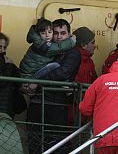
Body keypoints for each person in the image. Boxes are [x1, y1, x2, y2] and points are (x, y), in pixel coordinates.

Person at [27, 19, 81, 152]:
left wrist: (36, 82)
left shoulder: (73, 52)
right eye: (55, 33)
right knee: (35, 144)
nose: (59, 36)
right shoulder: (46, 48)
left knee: (55, 146)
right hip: (37, 103)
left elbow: (62, 73)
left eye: (63, 33)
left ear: (69, 34)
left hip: (57, 106)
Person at [0, 32, 26, 154]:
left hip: (6, 106)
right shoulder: (7, 64)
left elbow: (17, 80)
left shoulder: (7, 63)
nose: (2, 50)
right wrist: (9, 66)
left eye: (4, 47)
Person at [67, 26, 97, 126]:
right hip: (71, 112)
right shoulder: (72, 59)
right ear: (83, 45)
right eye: (92, 42)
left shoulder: (89, 62)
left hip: (82, 112)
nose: (95, 45)